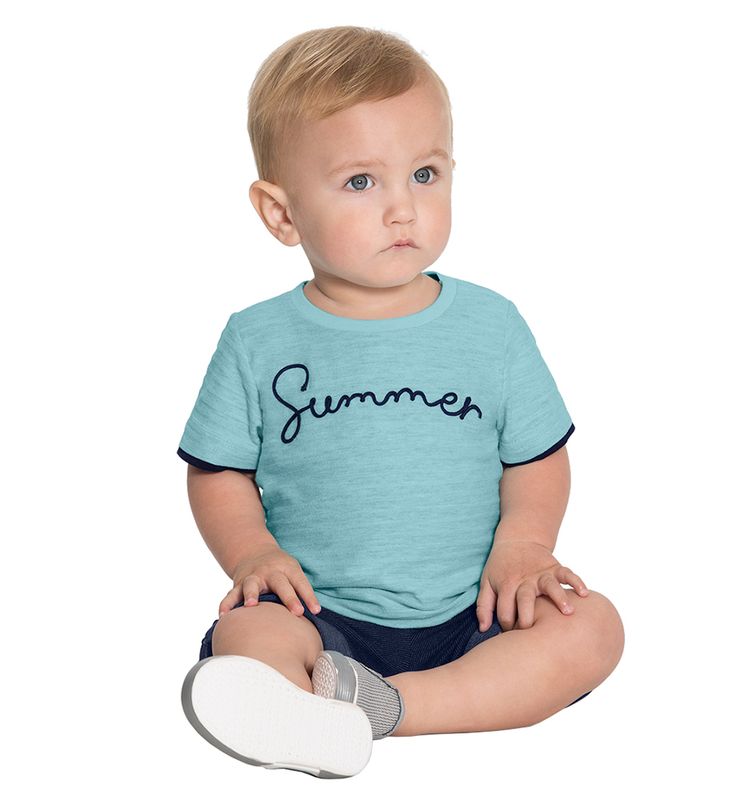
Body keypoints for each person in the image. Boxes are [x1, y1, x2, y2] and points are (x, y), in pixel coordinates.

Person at [177, 25, 625, 779]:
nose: (403, 209)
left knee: (594, 628)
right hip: (317, 614)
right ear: (281, 214)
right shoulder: (257, 338)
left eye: (424, 173)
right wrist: (254, 554)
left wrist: (524, 545)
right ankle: (294, 697)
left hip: (478, 610)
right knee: (247, 637)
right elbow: (218, 471)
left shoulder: (491, 325)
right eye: (361, 182)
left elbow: (536, 456)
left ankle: (385, 709)